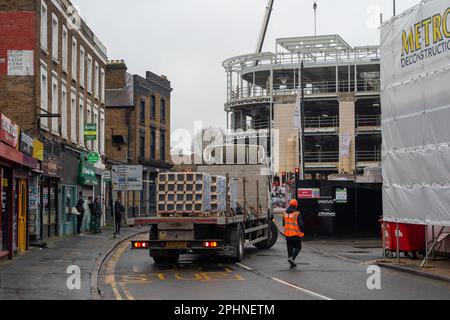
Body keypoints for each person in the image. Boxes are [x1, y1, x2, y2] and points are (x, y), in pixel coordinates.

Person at [283, 199, 305, 268]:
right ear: (296, 205)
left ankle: (291, 264)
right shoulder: (297, 213)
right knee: (298, 247)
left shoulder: (285, 213)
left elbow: (283, 224)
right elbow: (301, 224)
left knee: (290, 249)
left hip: (287, 235)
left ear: (289, 204)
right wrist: (302, 231)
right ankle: (292, 258)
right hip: (295, 235)